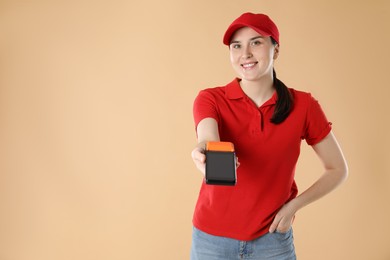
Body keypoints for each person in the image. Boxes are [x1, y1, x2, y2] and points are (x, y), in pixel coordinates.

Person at [190, 12, 348, 260]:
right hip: (212, 241)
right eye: (237, 46)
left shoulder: (303, 105)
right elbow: (208, 137)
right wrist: (202, 153)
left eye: (256, 42)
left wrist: (294, 207)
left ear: (275, 50)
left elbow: (337, 169)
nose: (246, 54)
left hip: (272, 241)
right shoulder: (211, 99)